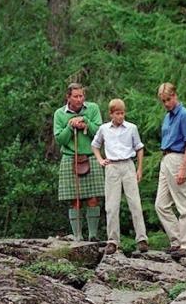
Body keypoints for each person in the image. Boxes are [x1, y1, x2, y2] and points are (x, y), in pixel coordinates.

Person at [91, 99, 148, 255]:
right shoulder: (104, 129)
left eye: (122, 113)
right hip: (112, 167)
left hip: (128, 165)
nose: (120, 116)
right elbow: (95, 145)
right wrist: (100, 159)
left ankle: (142, 239)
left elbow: (139, 148)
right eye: (117, 113)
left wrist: (139, 168)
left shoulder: (131, 128)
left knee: (135, 203)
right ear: (111, 114)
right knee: (111, 205)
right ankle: (113, 240)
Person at [53, 83, 104, 241]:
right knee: (74, 201)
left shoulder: (93, 108)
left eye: (81, 96)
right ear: (68, 97)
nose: (79, 99)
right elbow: (59, 139)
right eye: (75, 96)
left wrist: (86, 122)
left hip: (91, 155)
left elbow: (100, 132)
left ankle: (93, 236)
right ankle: (77, 237)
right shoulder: (59, 114)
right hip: (70, 157)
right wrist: (70, 126)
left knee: (93, 198)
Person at [155, 82, 186, 261]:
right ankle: (176, 240)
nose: (166, 103)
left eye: (168, 99)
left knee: (183, 203)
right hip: (166, 157)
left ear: (175, 96)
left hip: (178, 157)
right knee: (161, 204)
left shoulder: (185, 115)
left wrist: (183, 168)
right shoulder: (168, 116)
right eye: (163, 101)